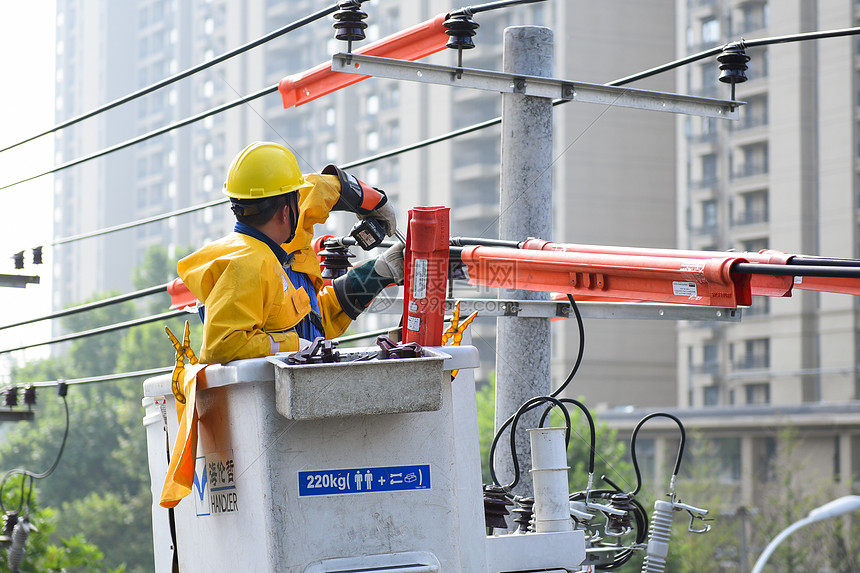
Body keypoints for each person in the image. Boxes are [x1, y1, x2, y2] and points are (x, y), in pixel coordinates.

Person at [177, 141, 404, 364]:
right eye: (297, 198)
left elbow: (313, 321)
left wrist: (378, 272)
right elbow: (223, 345)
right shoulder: (248, 265)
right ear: (285, 213)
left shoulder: (268, 254)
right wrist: (294, 345)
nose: (302, 202)